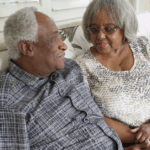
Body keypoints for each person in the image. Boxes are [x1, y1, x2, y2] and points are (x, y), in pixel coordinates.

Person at [0, 6, 127, 150]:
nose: (64, 45)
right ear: (27, 48)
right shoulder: (8, 104)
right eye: (54, 38)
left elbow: (96, 122)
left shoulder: (69, 68)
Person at [75, 0, 150, 149]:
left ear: (125, 27)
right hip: (122, 142)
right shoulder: (82, 66)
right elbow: (88, 114)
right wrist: (140, 139)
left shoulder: (144, 47)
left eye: (109, 29)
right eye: (94, 29)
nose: (100, 36)